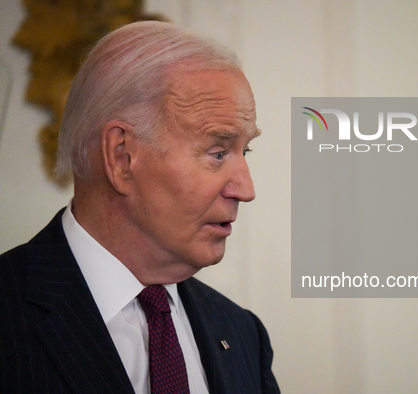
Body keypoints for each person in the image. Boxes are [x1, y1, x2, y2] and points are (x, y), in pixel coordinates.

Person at [0, 21, 280, 394]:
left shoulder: (243, 334)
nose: (246, 190)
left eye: (243, 152)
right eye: (217, 153)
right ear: (122, 156)